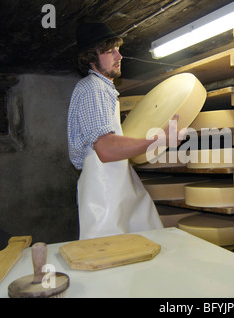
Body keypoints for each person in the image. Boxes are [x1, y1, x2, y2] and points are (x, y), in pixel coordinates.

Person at [67, 22, 181, 239]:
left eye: (118, 50)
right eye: (109, 52)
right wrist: (159, 139)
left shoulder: (105, 89)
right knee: (110, 254)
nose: (119, 56)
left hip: (114, 181)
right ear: (91, 58)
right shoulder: (93, 88)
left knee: (146, 242)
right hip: (103, 188)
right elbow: (106, 150)